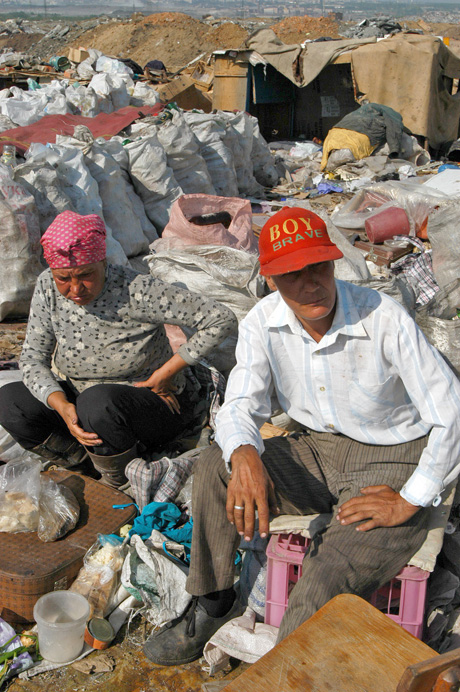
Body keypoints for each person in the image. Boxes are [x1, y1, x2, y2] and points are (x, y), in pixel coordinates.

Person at [143, 206, 460, 665]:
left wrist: (412, 498)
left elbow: (452, 412)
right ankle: (211, 603)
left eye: (319, 267)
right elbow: (240, 405)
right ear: (271, 279)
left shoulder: (383, 318)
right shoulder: (262, 322)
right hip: (319, 448)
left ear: (334, 265)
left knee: (325, 576)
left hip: (393, 458)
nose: (311, 283)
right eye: (293, 274)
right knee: (217, 464)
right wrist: (247, 456)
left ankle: (285, 671)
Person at [0, 211, 237, 487]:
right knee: (10, 402)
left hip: (147, 405)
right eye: (63, 278)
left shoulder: (136, 289)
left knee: (97, 404)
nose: (75, 288)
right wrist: (59, 403)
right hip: (82, 405)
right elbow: (32, 358)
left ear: (103, 262)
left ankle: (119, 481)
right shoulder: (47, 287)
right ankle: (86, 467)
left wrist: (169, 371)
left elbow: (221, 318)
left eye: (86, 275)